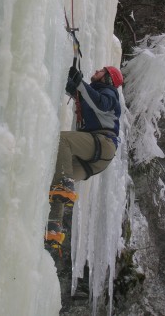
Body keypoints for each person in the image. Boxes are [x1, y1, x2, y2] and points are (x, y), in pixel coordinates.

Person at [45, 65, 123, 251]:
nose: (96, 70)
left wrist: (80, 83)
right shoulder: (92, 93)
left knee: (62, 140)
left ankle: (65, 183)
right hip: (97, 158)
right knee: (55, 180)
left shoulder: (109, 93)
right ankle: (54, 229)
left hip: (102, 142)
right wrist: (69, 78)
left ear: (108, 78)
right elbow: (76, 90)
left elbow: (99, 103)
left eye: (101, 71)